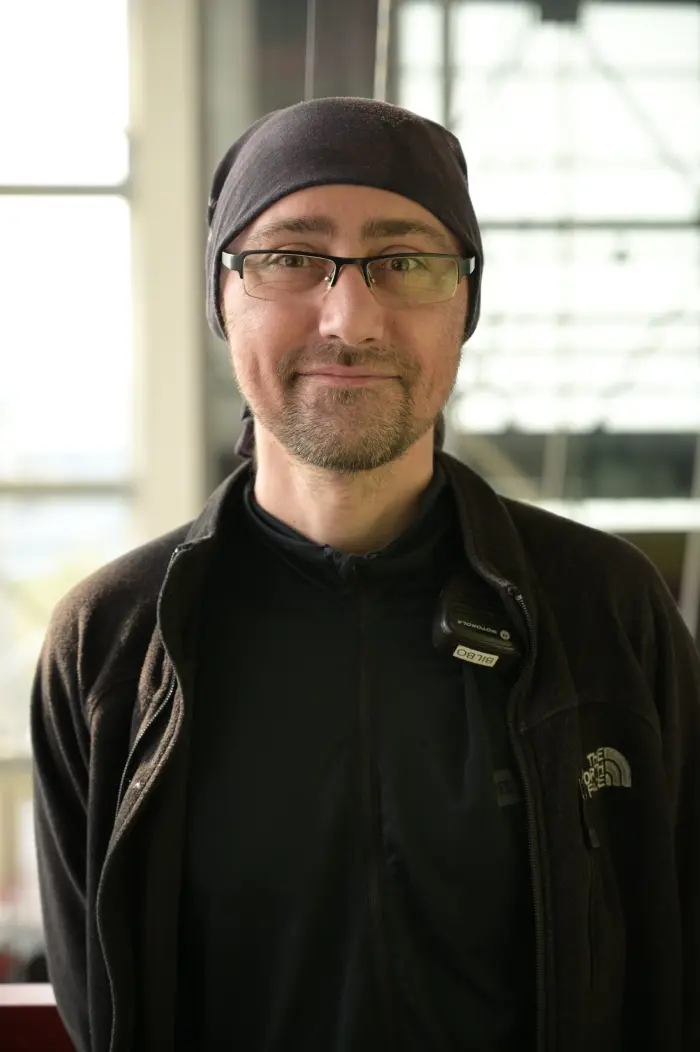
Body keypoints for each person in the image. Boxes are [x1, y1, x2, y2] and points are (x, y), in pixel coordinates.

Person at [31, 96, 700, 1052]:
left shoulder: (605, 609)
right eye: (291, 258)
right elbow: (103, 1011)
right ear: (223, 297)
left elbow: (673, 974)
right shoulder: (113, 643)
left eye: (407, 262)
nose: (350, 318)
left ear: (465, 301)